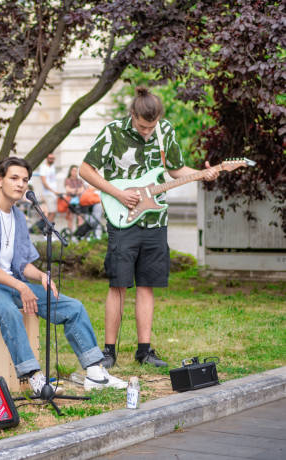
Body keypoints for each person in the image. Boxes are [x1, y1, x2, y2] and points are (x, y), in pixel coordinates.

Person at [0, 156, 127, 395]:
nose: (20, 184)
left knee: (73, 307)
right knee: (8, 311)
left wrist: (40, 277)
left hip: (12, 285)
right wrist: (21, 286)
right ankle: (34, 377)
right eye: (14, 178)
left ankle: (95, 372)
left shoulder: (17, 216)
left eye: (25, 180)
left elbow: (22, 263)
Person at [78, 86, 219, 368]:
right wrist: (118, 194)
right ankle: (108, 351)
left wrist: (203, 174)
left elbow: (177, 170)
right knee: (118, 284)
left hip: (156, 221)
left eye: (151, 127)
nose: (147, 132)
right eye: (143, 127)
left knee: (147, 285)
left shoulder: (165, 131)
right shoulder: (112, 132)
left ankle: (144, 351)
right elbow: (85, 169)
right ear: (133, 115)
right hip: (123, 219)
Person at [64, 165, 103, 238]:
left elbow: (84, 189)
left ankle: (82, 234)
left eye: (76, 170)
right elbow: (69, 190)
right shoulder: (69, 180)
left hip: (88, 201)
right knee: (74, 218)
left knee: (86, 218)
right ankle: (75, 234)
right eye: (73, 170)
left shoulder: (80, 180)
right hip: (77, 201)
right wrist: (77, 191)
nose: (75, 172)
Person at [38, 152, 59, 223]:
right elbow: (44, 182)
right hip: (48, 193)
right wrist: (53, 191)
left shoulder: (53, 167)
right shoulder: (43, 167)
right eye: (50, 158)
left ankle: (48, 228)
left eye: (53, 158)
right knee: (52, 212)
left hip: (53, 193)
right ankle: (48, 229)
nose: (51, 160)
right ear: (46, 158)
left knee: (52, 212)